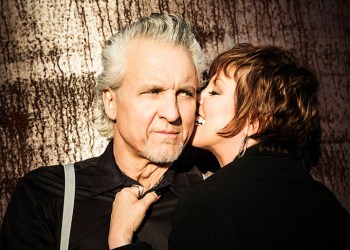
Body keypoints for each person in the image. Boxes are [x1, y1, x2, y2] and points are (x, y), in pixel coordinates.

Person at [108, 43, 350, 249]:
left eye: (214, 92)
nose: (197, 97)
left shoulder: (208, 204)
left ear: (255, 121)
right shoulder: (324, 200)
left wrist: (121, 240)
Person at [0, 13, 207, 250]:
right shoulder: (48, 197)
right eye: (153, 91)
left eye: (185, 93)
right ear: (111, 102)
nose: (172, 113)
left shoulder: (216, 196)